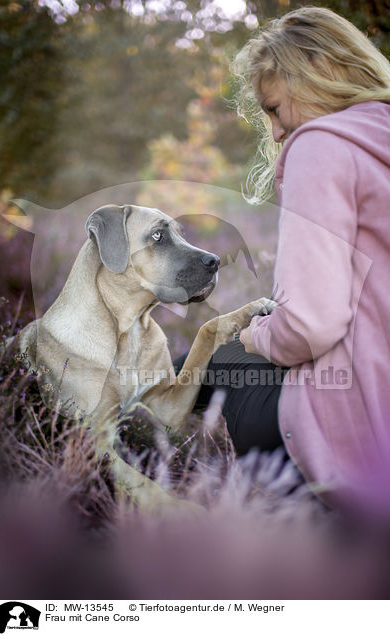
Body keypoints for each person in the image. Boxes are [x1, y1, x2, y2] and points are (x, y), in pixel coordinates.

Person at [188, 6, 390, 511]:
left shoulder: (321, 145)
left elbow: (310, 326)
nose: (276, 132)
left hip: (359, 437)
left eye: (274, 108)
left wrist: (255, 334)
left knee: (207, 362)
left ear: (317, 80)